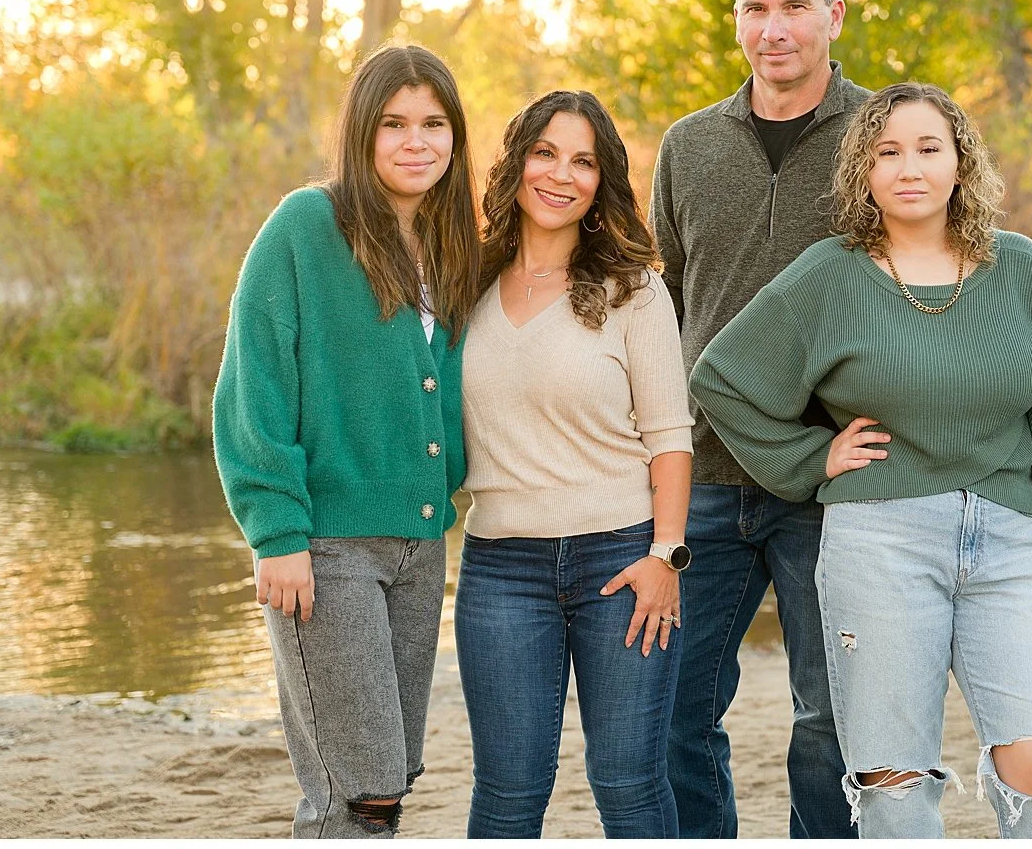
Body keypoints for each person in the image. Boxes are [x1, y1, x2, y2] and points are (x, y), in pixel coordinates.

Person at [688, 82, 1032, 839]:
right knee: (892, 783)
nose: (908, 167)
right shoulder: (831, 274)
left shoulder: (1019, 268)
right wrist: (811, 456)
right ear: (865, 172)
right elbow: (720, 377)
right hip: (878, 542)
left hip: (1010, 544)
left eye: (928, 148)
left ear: (961, 164)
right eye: (887, 152)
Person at [213, 44, 482, 838]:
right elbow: (253, 383)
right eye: (394, 123)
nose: (416, 141)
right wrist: (277, 531)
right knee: (355, 790)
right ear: (362, 132)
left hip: (421, 545)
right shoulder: (306, 225)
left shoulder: (451, 243)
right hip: (327, 549)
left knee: (387, 779)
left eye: (435, 124)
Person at [651, 0, 870, 838]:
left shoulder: (882, 135)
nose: (772, 28)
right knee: (671, 711)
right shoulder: (687, 146)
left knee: (829, 720)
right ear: (735, 18)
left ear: (834, 14)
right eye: (754, 8)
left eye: (792, 6)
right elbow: (664, 301)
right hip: (703, 479)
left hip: (836, 481)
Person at [455, 90, 694, 838]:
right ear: (518, 162)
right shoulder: (463, 283)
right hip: (499, 568)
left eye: (583, 160)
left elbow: (671, 438)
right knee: (506, 792)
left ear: (602, 182)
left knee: (627, 785)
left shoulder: (635, 290)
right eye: (546, 152)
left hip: (623, 562)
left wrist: (666, 557)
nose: (562, 174)